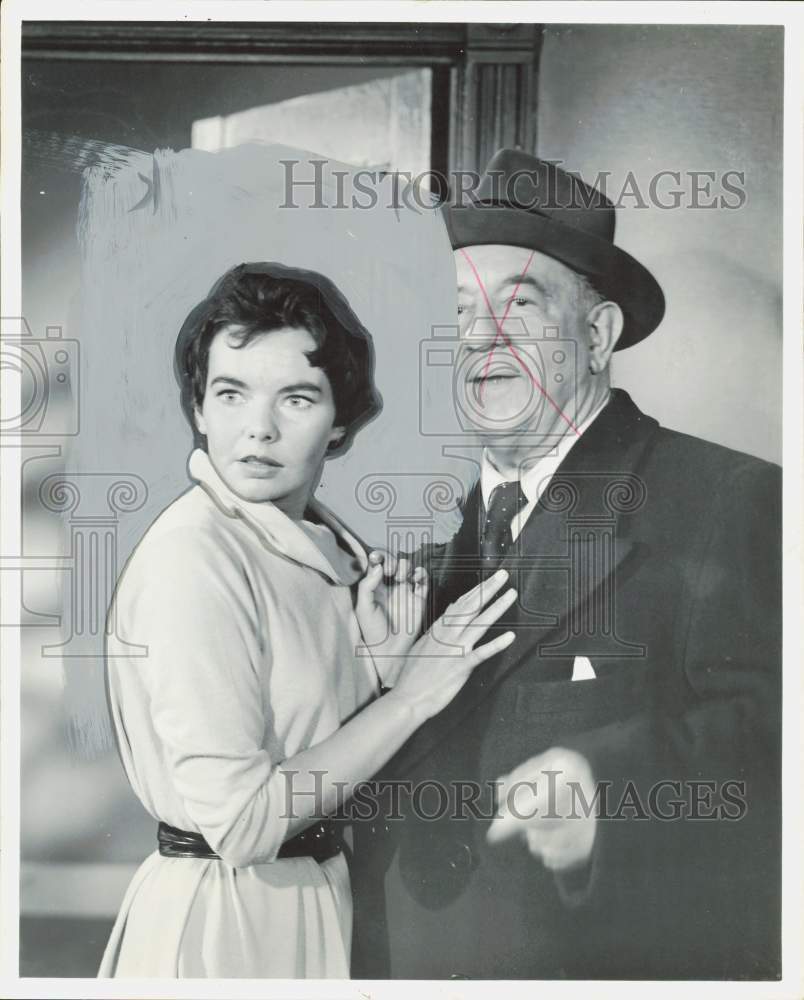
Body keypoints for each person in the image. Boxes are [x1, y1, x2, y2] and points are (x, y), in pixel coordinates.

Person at [351, 150, 782, 979]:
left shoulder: (730, 499)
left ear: (596, 335)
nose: (480, 340)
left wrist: (609, 784)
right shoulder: (412, 537)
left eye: (518, 308)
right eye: (457, 315)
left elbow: (773, 746)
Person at [98, 261, 518, 978]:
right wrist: (409, 698)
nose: (256, 429)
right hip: (226, 926)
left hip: (312, 899)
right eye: (230, 394)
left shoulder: (314, 545)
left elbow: (302, 749)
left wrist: (377, 676)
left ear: (341, 423)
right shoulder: (195, 559)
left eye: (296, 398)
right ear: (198, 409)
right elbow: (241, 823)